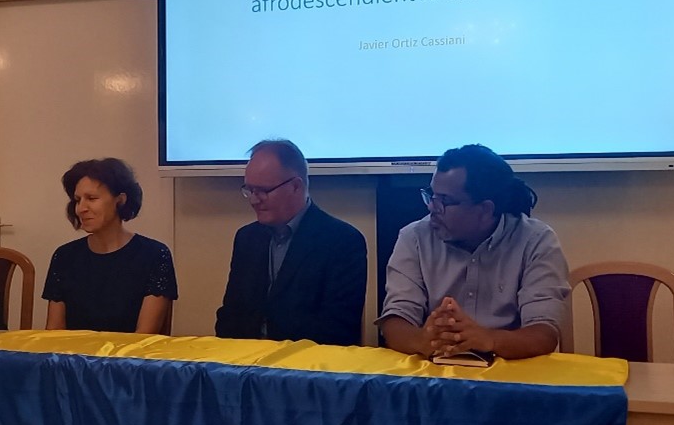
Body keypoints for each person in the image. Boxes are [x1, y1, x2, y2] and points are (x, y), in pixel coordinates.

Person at [378, 144, 569, 360]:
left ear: (485, 210)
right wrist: (423, 339)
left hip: (510, 376)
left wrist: (488, 339)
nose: (432, 207)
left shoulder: (535, 241)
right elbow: (394, 323)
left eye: (445, 201)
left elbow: (544, 334)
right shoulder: (414, 237)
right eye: (431, 196)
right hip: (434, 376)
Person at [215, 139, 367, 346]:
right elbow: (230, 316)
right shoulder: (246, 238)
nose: (254, 199)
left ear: (296, 186)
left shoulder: (342, 241)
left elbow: (338, 330)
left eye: (263, 191)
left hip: (307, 369)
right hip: (244, 366)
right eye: (249, 190)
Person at [43, 158, 177, 334]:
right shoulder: (65, 256)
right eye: (77, 200)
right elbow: (54, 333)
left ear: (120, 200)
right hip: (73, 359)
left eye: (91, 198)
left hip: (128, 359)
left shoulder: (154, 254)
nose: (81, 208)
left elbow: (144, 336)